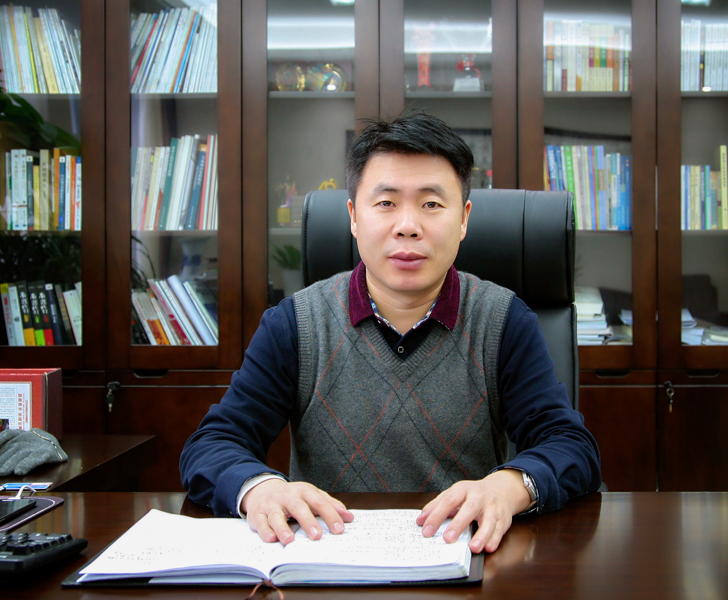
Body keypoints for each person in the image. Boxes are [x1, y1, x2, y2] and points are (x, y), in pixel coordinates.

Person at [180, 112, 601, 555]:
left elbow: (571, 446)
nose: (408, 225)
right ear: (353, 217)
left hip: (461, 558)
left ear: (463, 219)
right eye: (385, 203)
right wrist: (258, 488)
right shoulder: (295, 324)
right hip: (327, 562)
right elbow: (213, 444)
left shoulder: (503, 320)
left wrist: (508, 487)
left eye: (431, 204)